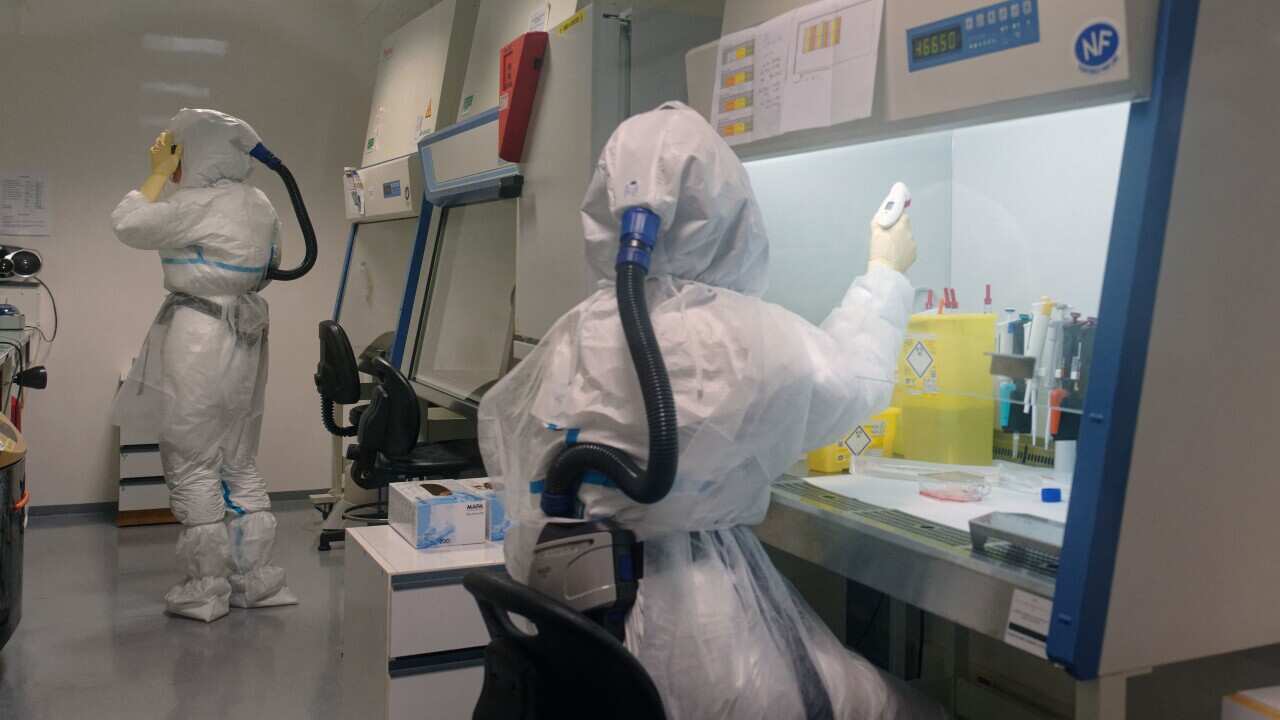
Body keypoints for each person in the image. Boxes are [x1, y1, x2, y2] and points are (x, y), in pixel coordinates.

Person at [479, 101, 941, 718]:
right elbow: (853, 378)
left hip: (591, 629)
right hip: (707, 644)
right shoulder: (737, 338)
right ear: (728, 208)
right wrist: (885, 271)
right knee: (903, 708)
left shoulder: (579, 332)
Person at [111, 108, 296, 622]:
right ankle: (255, 581)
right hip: (246, 330)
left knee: (192, 459)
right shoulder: (258, 203)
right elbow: (274, 258)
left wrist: (153, 174)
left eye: (173, 150)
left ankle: (206, 587)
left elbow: (127, 222)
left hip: (199, 333)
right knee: (238, 458)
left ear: (190, 152)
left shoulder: (194, 203)